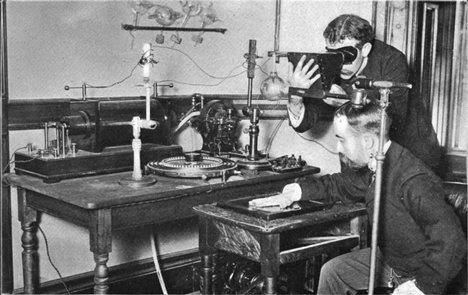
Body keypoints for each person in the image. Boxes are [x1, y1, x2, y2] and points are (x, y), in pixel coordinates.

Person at [250, 102, 466, 295]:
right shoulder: (379, 162)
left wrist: (422, 287)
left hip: (422, 271)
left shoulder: (413, 180)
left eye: (341, 140)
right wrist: (294, 192)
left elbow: (452, 241)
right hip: (392, 261)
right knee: (333, 272)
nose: (338, 148)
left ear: (369, 142)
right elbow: (340, 184)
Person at [287, 14, 442, 173]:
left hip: (408, 157)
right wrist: (296, 96)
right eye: (333, 56)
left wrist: (346, 102)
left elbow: (392, 118)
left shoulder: (392, 60)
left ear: (365, 49)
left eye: (346, 56)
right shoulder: (330, 66)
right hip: (359, 160)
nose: (339, 65)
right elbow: (305, 122)